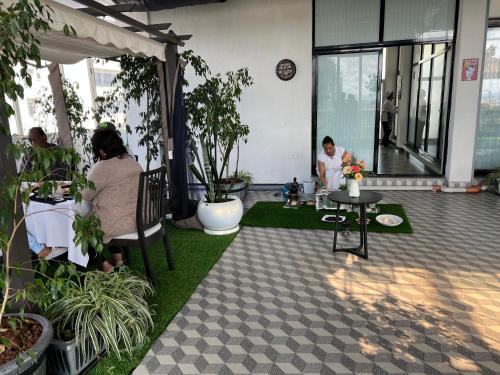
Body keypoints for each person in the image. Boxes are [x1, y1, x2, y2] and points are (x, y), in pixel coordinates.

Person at [82, 129, 143, 272]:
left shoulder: (102, 167)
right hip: (141, 218)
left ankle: (105, 266)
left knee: (81, 225)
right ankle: (118, 259)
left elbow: (85, 194)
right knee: (107, 213)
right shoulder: (132, 162)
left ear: (101, 151)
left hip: (120, 223)